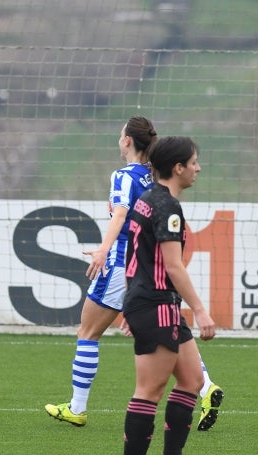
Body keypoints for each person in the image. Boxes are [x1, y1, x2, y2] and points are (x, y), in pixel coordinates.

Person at [44, 117, 223, 430]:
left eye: (120, 134)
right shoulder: (155, 177)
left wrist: (103, 250)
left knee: (88, 333)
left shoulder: (124, 175)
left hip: (120, 264)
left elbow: (122, 214)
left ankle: (77, 408)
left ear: (127, 141)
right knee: (172, 329)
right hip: (149, 264)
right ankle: (206, 387)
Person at [115, 136, 215, 455]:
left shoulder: (146, 200)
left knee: (190, 381)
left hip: (155, 304)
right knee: (149, 391)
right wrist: (201, 310)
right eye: (194, 162)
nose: (197, 168)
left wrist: (130, 302)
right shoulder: (167, 207)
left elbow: (134, 254)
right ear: (178, 168)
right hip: (157, 305)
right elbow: (173, 266)